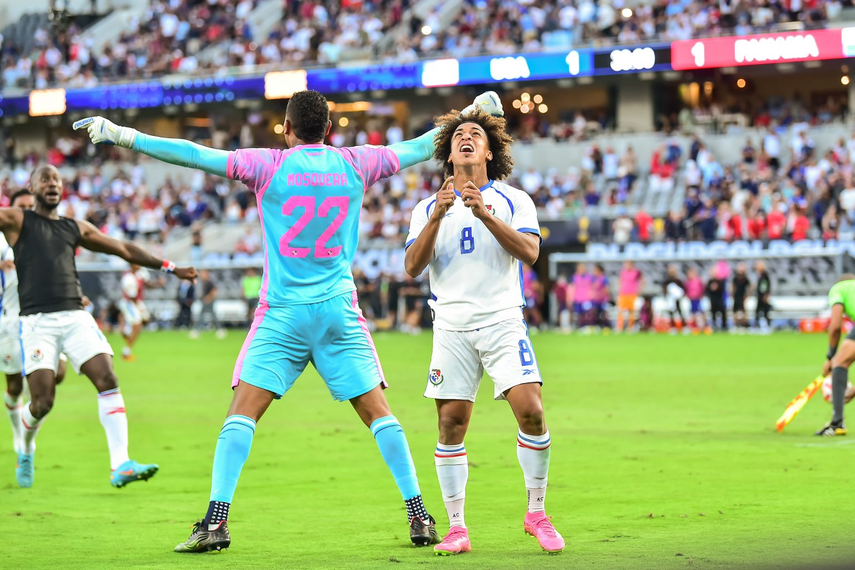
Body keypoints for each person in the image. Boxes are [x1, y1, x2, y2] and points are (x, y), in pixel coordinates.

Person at [76, 89, 504, 552]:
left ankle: (216, 523)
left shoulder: (268, 166)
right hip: (338, 310)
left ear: (286, 129)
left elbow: (195, 155)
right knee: (379, 414)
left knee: (242, 414)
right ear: (330, 128)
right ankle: (420, 516)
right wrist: (472, 115)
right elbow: (423, 146)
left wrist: (124, 136)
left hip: (282, 313)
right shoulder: (357, 163)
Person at [404, 106, 564, 556]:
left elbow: (530, 253)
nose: (466, 138)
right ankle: (457, 528)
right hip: (451, 327)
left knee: (531, 409)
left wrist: (487, 215)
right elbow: (412, 268)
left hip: (502, 320)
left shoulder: (515, 200)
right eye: (459, 135)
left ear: (489, 150)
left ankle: (537, 512)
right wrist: (437, 216)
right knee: (451, 424)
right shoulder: (425, 208)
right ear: (449, 152)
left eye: (476, 133)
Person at [0, 165, 197, 488]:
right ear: (32, 187)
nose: (52, 184)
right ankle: (26, 444)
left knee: (107, 376)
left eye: (57, 180)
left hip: (75, 316)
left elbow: (122, 248)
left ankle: (120, 464)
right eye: (45, 179)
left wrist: (169, 266)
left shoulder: (73, 227)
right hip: (36, 323)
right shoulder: (18, 220)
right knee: (42, 402)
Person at [2, 189, 67, 454]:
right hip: (10, 322)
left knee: (56, 376)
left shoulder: (52, 234)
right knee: (15, 386)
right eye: (22, 206)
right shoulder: (3, 240)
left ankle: (27, 437)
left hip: (46, 318)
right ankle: (20, 437)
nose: (28, 210)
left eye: (31, 205)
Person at [817, 275, 855, 436]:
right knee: (841, 361)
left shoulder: (838, 289)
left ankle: (837, 423)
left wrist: (830, 357)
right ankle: (837, 422)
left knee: (838, 362)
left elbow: (835, 326)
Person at [117, 263, 163, 361]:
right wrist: (138, 308)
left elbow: (148, 284)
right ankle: (126, 352)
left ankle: (126, 330)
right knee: (137, 327)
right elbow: (131, 296)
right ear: (132, 265)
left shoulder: (140, 273)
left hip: (137, 301)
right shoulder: (128, 278)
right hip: (129, 303)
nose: (140, 265)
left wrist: (158, 284)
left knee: (146, 320)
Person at [195, 269, 226, 339]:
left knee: (206, 315)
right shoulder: (205, 282)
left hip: (208, 301)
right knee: (207, 315)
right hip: (205, 301)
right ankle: (219, 329)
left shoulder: (209, 282)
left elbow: (215, 290)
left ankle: (197, 330)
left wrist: (209, 298)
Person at [616, 260, 643, 332]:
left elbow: (643, 280)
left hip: (632, 294)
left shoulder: (636, 272)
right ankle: (619, 327)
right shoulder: (623, 272)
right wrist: (619, 289)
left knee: (631, 311)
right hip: (623, 293)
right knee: (621, 310)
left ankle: (630, 327)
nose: (626, 266)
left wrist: (639, 290)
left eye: (628, 264)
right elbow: (620, 281)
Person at [683, 267, 708, 333]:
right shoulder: (687, 282)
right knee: (693, 314)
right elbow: (686, 290)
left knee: (701, 313)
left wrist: (700, 296)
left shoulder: (698, 281)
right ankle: (695, 327)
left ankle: (704, 326)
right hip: (691, 300)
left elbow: (702, 289)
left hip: (698, 299)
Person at [662, 265, 685, 333]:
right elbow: (664, 289)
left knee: (680, 312)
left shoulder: (677, 280)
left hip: (677, 300)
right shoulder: (667, 280)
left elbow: (682, 289)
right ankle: (673, 327)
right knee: (671, 313)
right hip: (670, 300)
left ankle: (683, 326)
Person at [571, 263, 593, 331]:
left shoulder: (589, 277)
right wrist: (571, 297)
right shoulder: (575, 277)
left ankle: (587, 326)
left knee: (587, 313)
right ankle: (579, 327)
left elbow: (592, 287)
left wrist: (591, 296)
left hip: (587, 299)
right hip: (578, 299)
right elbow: (573, 288)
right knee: (578, 314)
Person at [731, 263, 752, 332]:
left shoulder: (745, 279)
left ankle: (744, 325)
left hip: (743, 297)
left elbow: (750, 286)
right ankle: (736, 325)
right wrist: (732, 294)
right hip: (736, 296)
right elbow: (733, 287)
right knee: (735, 312)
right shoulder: (735, 278)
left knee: (743, 312)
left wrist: (748, 294)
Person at [754, 261, 772, 333]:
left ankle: (766, 326)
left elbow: (767, 287)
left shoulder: (765, 276)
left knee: (765, 311)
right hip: (760, 296)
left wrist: (766, 295)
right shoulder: (761, 276)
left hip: (763, 296)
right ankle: (757, 326)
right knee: (758, 311)